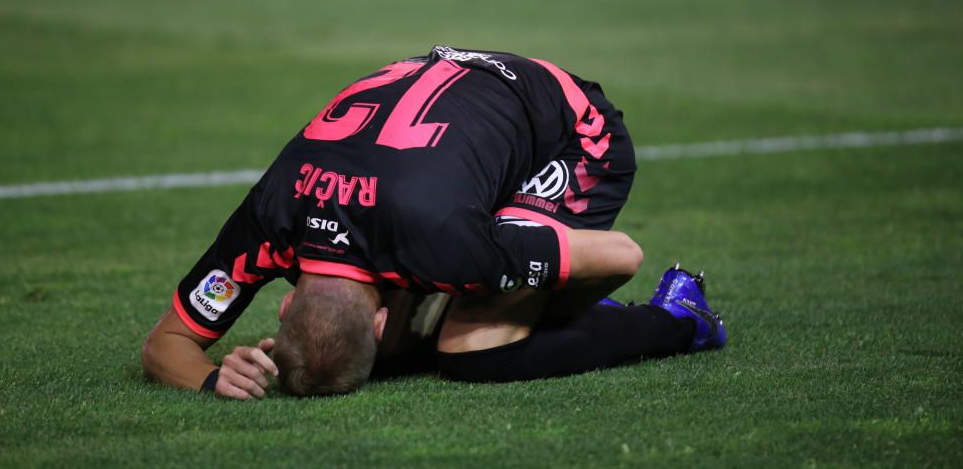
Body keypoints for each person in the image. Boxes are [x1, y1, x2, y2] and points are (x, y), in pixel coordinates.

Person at [141, 46, 726, 399]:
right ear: (288, 306)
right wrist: (212, 377)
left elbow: (621, 254)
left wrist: (551, 292)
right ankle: (523, 297)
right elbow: (169, 343)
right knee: (445, 318)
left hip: (570, 132)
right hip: (450, 120)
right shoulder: (272, 216)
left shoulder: (444, 244)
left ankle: (679, 318)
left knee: (473, 350)